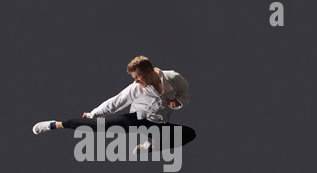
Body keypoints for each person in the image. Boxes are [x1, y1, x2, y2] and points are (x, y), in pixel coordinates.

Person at [32, 56, 196, 152]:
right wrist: (92, 114)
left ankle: (151, 146)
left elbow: (185, 92)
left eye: (138, 77)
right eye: (134, 79)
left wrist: (178, 101)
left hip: (158, 124)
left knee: (189, 134)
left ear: (149, 70)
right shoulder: (135, 89)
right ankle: (55, 124)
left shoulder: (173, 78)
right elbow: (114, 103)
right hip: (135, 120)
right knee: (98, 125)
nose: (136, 81)